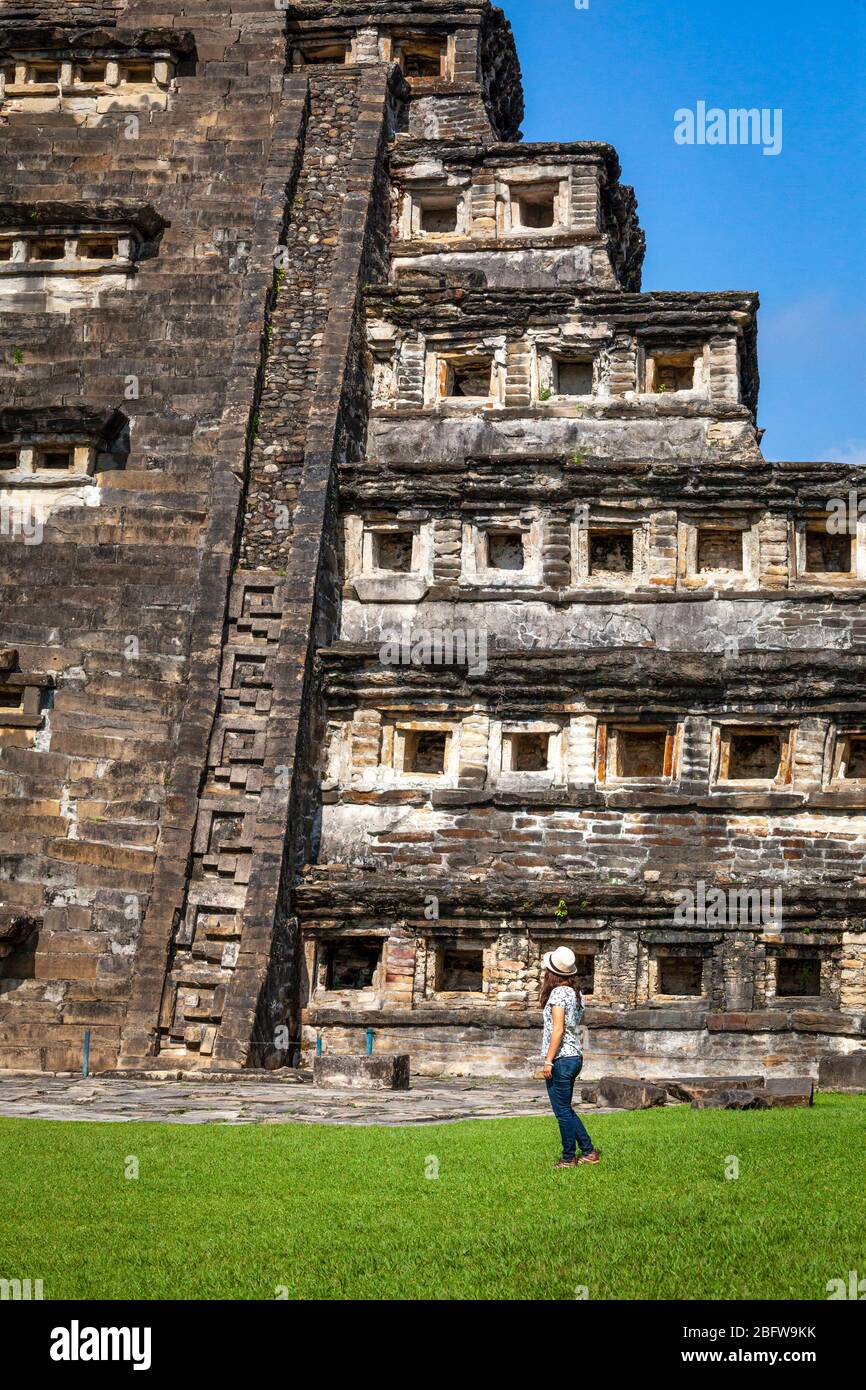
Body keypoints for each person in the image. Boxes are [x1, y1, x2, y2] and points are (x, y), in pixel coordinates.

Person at [540, 946, 600, 1169]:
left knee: (562, 1111)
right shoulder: (578, 994)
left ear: (552, 973)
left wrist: (548, 1060)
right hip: (575, 1055)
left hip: (561, 1059)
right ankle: (588, 1151)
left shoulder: (557, 993)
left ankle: (568, 1157)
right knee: (566, 1108)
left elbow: (558, 1029)